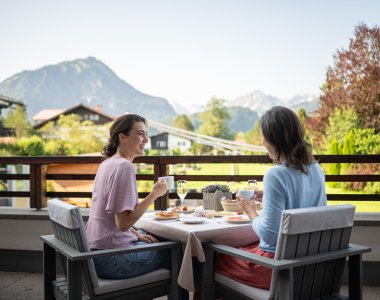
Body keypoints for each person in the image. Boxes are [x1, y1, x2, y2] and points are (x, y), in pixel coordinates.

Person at [215, 106, 327, 290]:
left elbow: (269, 234)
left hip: (277, 268)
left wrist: (250, 211)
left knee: (210, 258)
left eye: (262, 135)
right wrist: (270, 196)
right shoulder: (316, 169)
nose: (261, 141)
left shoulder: (275, 174)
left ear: (273, 138)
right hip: (309, 265)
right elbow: (304, 204)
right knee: (244, 246)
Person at [86, 113, 170, 279]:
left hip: (95, 253)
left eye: (146, 134)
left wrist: (136, 234)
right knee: (178, 250)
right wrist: (154, 194)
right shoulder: (124, 167)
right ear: (122, 137)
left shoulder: (107, 163)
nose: (146, 140)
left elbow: (113, 216)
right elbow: (123, 223)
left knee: (153, 236)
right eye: (140, 134)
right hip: (113, 258)